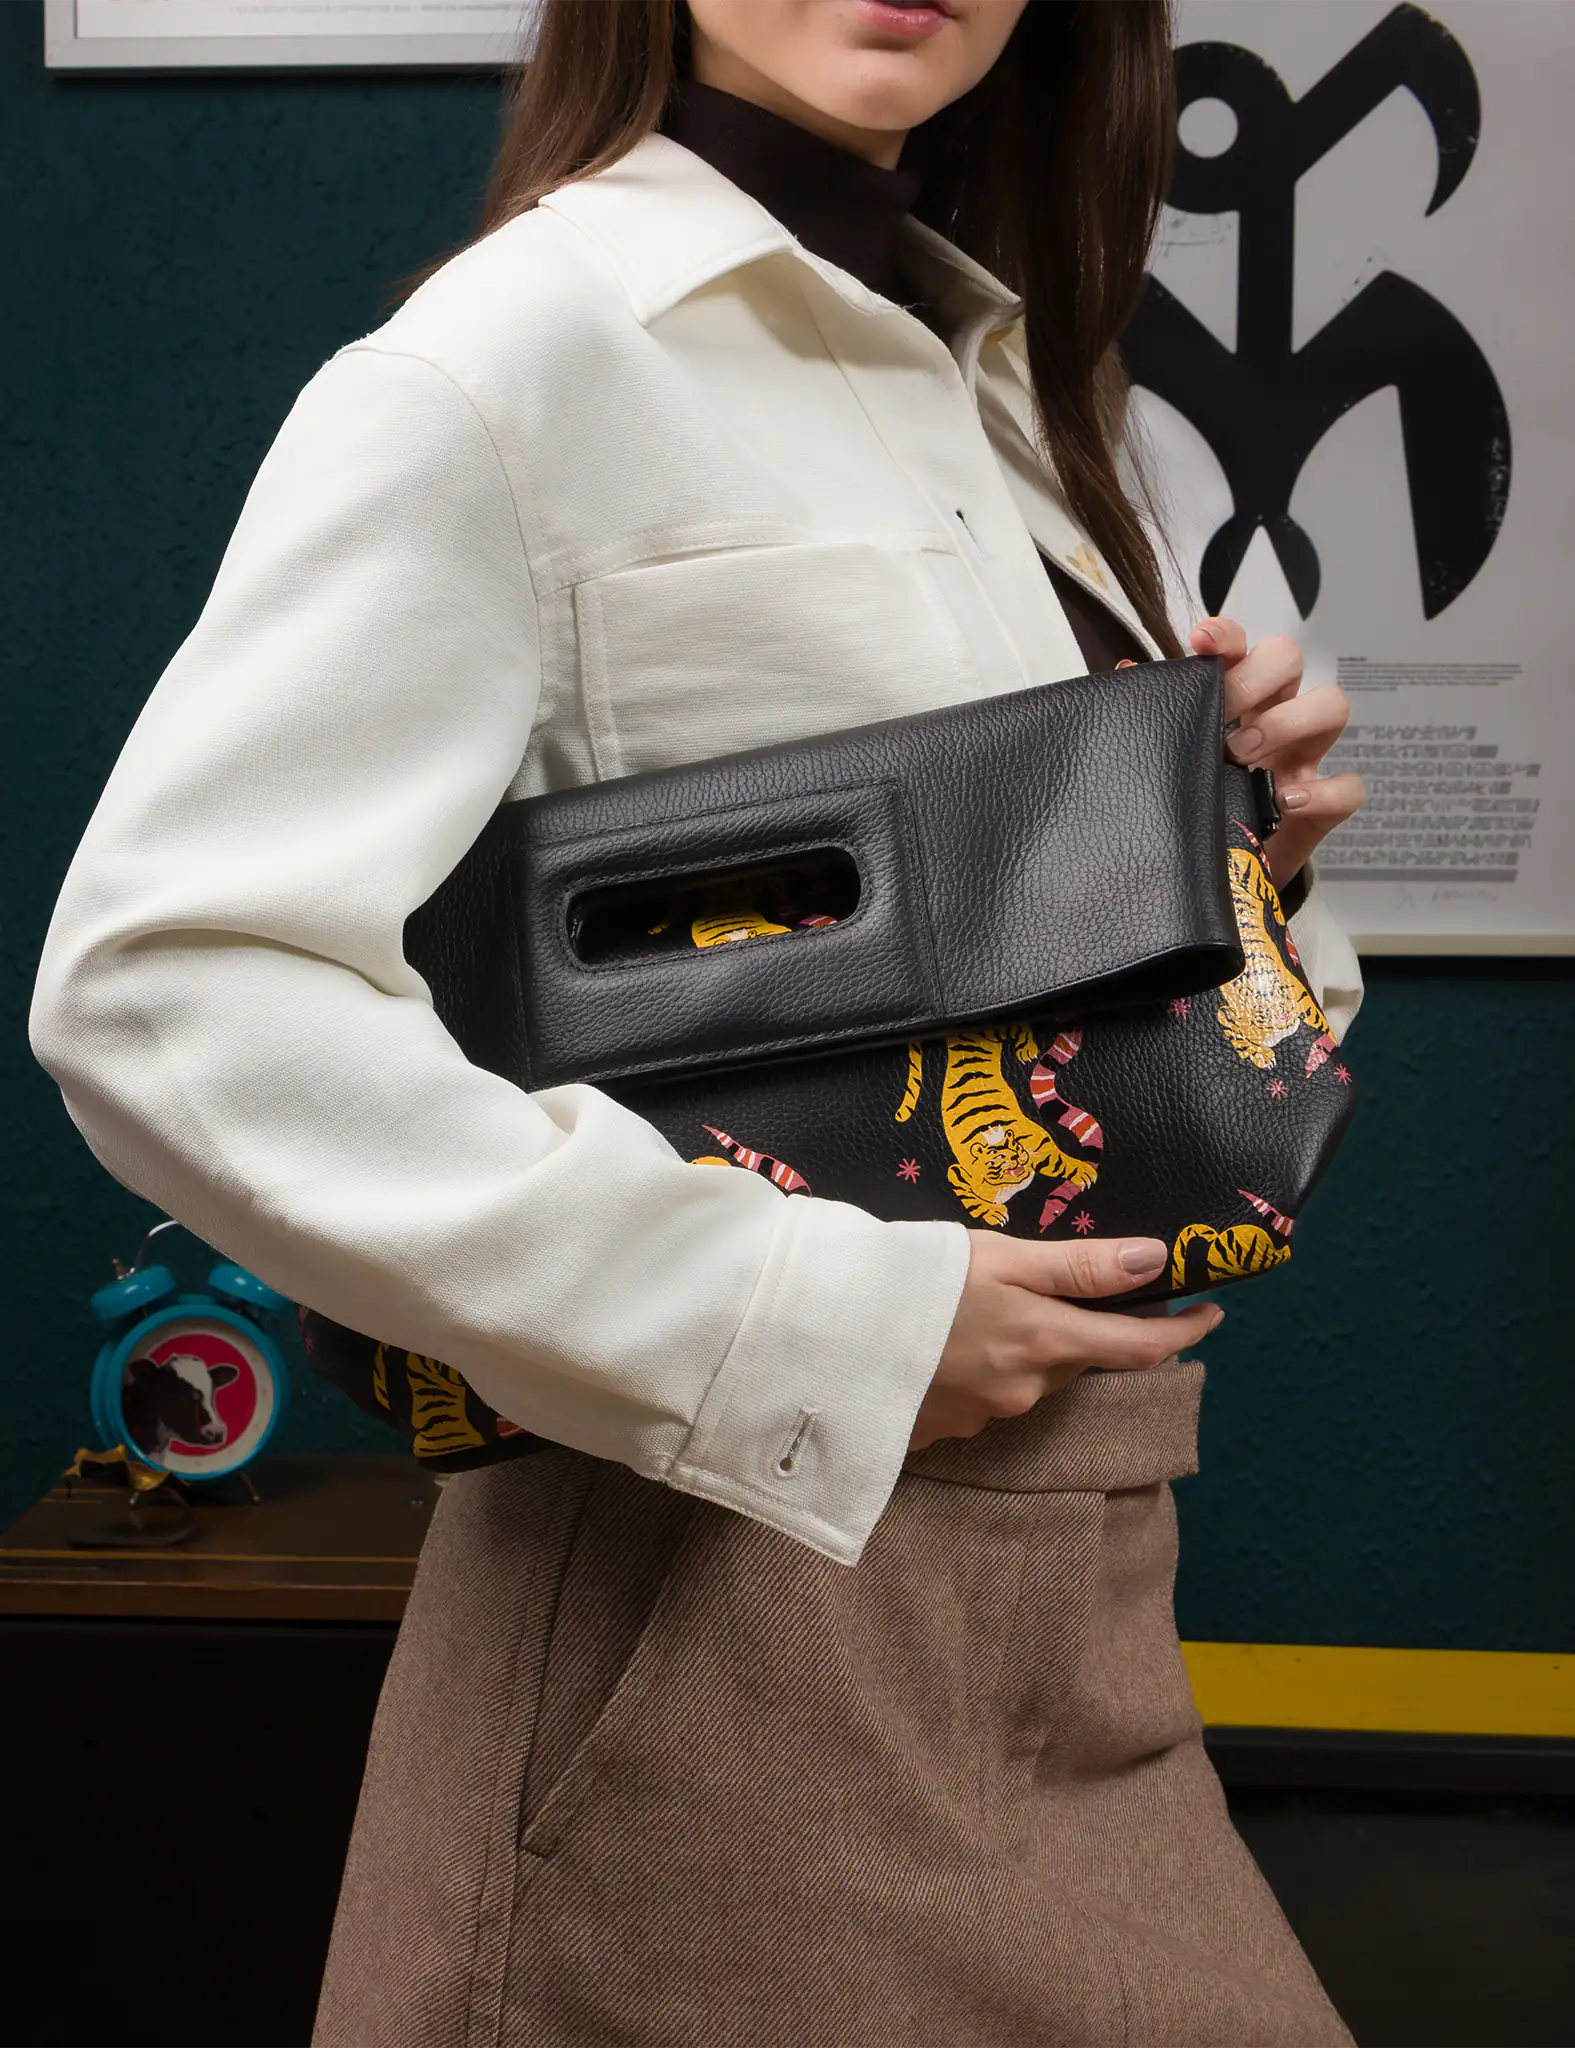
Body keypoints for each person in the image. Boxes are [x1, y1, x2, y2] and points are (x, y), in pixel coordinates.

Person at [30, 2, 1366, 2041]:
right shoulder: (517, 356)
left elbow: (1014, 1034)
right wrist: (802, 1317)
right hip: (708, 1616)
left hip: (1081, 1590)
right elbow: (169, 986)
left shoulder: (1035, 400)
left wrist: (1239, 850)